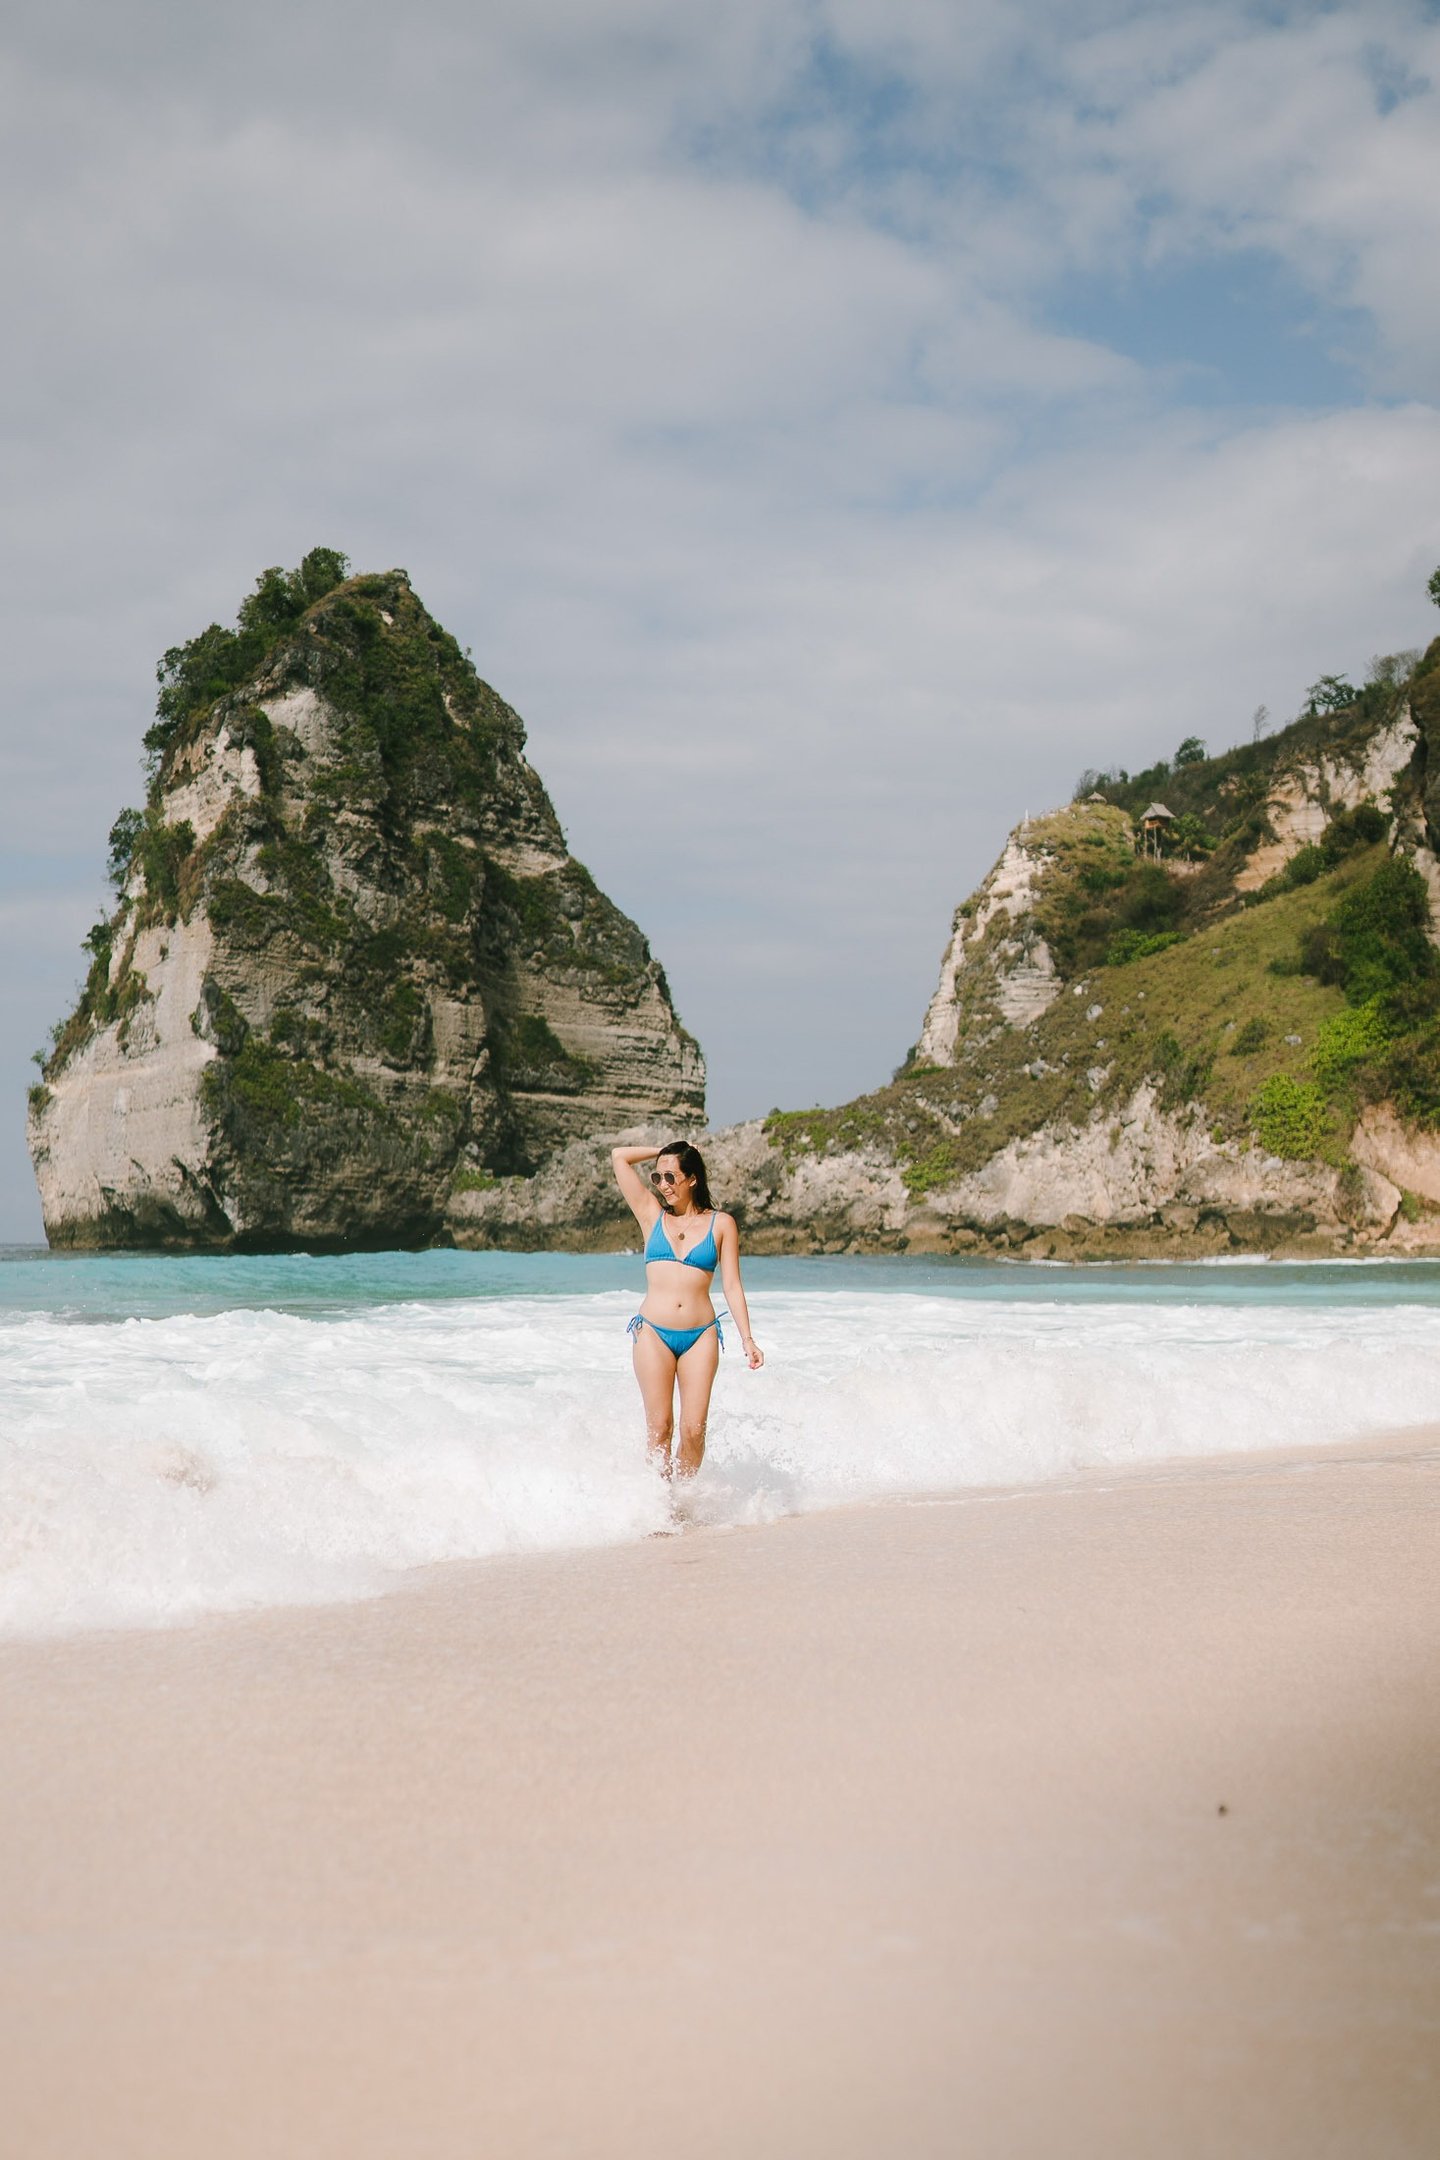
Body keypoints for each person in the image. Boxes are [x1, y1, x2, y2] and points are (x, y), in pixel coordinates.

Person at [610, 1139, 763, 1479]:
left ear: (692, 1179)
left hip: (700, 1336)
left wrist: (747, 1338)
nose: (663, 1185)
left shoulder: (722, 1224)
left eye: (670, 1177)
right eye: (657, 1178)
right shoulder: (651, 1216)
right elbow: (619, 1157)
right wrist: (663, 1150)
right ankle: (660, 1508)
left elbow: (733, 1285)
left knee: (693, 1430)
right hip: (652, 1333)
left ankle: (686, 1500)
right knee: (660, 1429)